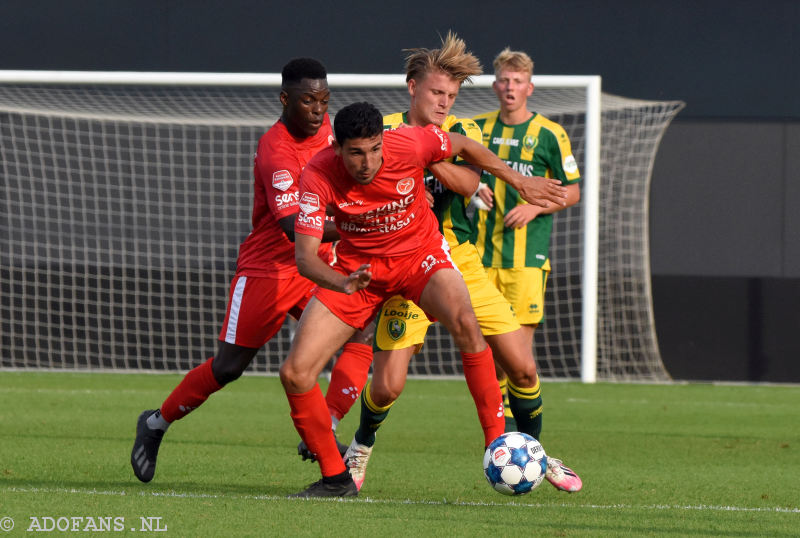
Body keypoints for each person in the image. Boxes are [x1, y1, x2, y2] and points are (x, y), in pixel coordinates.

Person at [280, 101, 567, 497]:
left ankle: (497, 445)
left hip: (421, 258)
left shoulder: (409, 143)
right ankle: (336, 478)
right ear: (337, 148)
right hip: (359, 273)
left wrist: (519, 182)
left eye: (375, 148)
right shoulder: (317, 174)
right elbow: (305, 256)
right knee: (296, 373)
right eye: (356, 153)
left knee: (467, 324)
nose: (368, 162)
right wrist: (344, 282)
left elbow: (464, 146)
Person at [341, 33, 582, 494]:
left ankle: (533, 453)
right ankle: (361, 445)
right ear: (412, 87)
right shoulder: (380, 130)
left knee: (523, 368)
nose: (443, 103)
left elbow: (470, 180)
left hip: (460, 260)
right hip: (403, 262)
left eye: (451, 96)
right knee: (388, 385)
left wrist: (418, 159)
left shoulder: (462, 133)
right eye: (436, 93)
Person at [129, 58, 373, 483]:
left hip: (314, 264)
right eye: (307, 101)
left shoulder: (333, 133)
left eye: (323, 100)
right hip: (270, 268)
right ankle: (155, 424)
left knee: (361, 330)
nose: (317, 109)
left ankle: (327, 426)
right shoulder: (276, 151)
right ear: (285, 99)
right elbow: (291, 226)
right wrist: (357, 226)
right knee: (228, 367)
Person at [472, 47, 581, 435]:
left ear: (530, 87)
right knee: (484, 347)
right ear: (495, 85)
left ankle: (518, 433)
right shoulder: (476, 129)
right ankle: (499, 425)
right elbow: (450, 172)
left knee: (516, 352)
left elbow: (572, 192)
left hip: (525, 259)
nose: (510, 87)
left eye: (517, 81)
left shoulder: (550, 134)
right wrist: (472, 190)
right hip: (477, 257)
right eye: (504, 80)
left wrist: (535, 208)